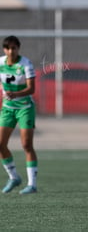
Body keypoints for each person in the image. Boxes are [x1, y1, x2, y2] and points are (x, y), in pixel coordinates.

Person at [0, 35, 38, 194]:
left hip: (25, 108)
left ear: (18, 49)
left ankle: (32, 185)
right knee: (0, 144)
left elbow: (31, 89)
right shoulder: (1, 63)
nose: (11, 51)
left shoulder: (25, 64)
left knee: (26, 145)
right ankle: (14, 177)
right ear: (4, 49)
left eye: (14, 48)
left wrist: (16, 94)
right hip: (8, 108)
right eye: (8, 48)